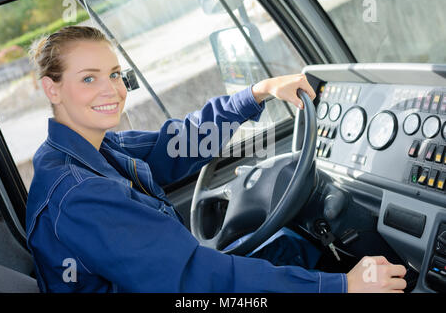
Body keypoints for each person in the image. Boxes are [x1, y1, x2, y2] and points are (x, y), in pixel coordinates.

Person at [25, 25, 407, 293]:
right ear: (52, 88)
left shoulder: (90, 151)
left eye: (114, 74)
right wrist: (341, 286)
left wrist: (257, 93)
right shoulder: (79, 194)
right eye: (89, 78)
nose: (112, 90)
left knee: (294, 245)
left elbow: (175, 146)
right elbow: (192, 279)